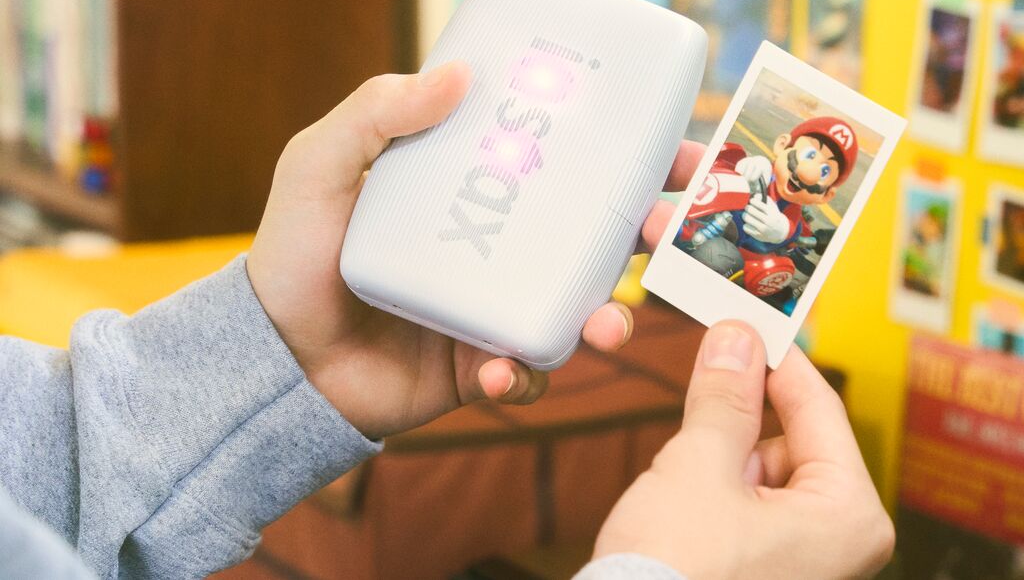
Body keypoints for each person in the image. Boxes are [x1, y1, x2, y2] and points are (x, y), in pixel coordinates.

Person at [0, 62, 893, 579]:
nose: (813, 165)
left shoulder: (791, 214)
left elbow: (45, 481)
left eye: (827, 164)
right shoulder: (745, 174)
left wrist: (278, 346)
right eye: (810, 151)